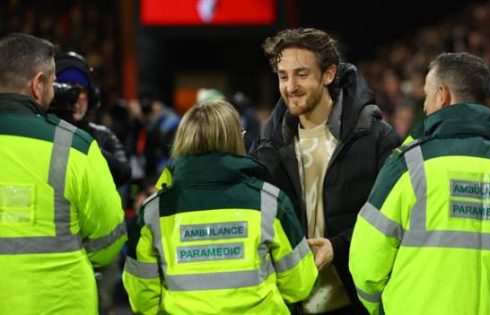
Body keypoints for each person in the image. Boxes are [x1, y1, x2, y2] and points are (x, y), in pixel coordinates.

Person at [349, 52, 490, 315]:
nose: (425, 107)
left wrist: (384, 307)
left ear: (442, 95)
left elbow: (365, 261)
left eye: (427, 96)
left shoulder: (409, 165)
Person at [252, 27, 400, 314]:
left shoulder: (375, 138)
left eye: (302, 74)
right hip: (290, 303)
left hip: (354, 301)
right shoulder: (267, 146)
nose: (290, 86)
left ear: (329, 74)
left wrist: (338, 247)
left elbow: (394, 220)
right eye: (283, 76)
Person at [123, 100, 317, 314]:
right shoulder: (270, 202)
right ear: (235, 139)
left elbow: (142, 300)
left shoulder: (154, 211)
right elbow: (299, 285)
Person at [0, 33, 126, 314]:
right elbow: (110, 240)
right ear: (37, 84)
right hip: (60, 304)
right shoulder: (74, 147)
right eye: (53, 82)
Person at [51, 51, 131, 188]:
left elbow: (124, 174)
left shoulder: (102, 134)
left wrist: (85, 145)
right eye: (68, 91)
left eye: (81, 91)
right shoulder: (42, 132)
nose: (75, 101)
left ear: (91, 96)